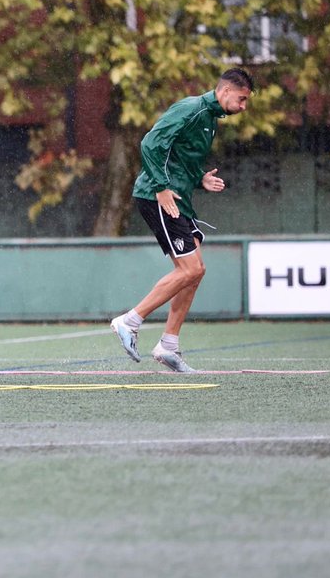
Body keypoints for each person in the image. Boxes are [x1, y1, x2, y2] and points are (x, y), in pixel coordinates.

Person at [109, 68, 254, 373]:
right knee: (191, 268)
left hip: (180, 199)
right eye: (241, 99)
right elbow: (150, 144)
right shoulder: (191, 109)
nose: (243, 106)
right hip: (158, 196)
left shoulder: (210, 120)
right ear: (225, 91)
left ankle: (168, 346)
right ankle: (129, 321)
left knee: (195, 272)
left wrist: (200, 179)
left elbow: (178, 157)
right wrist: (161, 187)